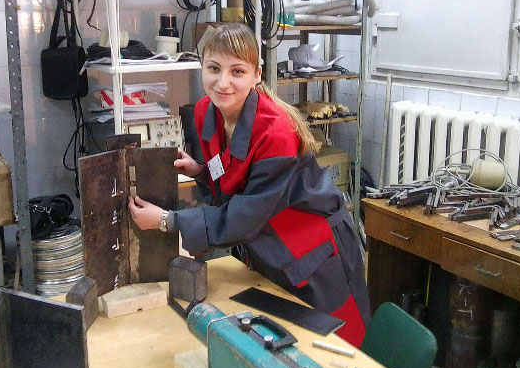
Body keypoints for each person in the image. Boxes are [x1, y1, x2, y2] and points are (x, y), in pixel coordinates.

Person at [128, 23, 370, 347]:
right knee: (278, 341)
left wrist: (166, 220)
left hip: (312, 250)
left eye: (237, 71)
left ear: (257, 74)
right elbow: (235, 179)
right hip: (267, 244)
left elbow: (242, 217)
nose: (223, 82)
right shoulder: (206, 112)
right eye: (214, 68)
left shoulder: (277, 134)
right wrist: (201, 171)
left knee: (335, 344)